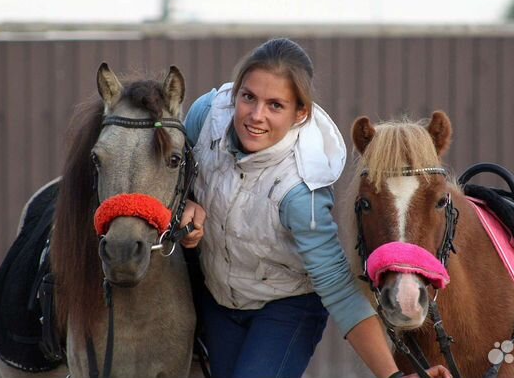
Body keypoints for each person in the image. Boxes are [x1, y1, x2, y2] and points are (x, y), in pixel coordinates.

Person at [178, 38, 450, 378]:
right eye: (248, 97)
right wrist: (186, 204)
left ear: (300, 113)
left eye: (276, 105)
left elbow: (337, 288)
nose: (256, 115)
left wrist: (393, 376)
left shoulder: (301, 190)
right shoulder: (205, 117)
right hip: (219, 297)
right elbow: (173, 178)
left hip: (285, 306)